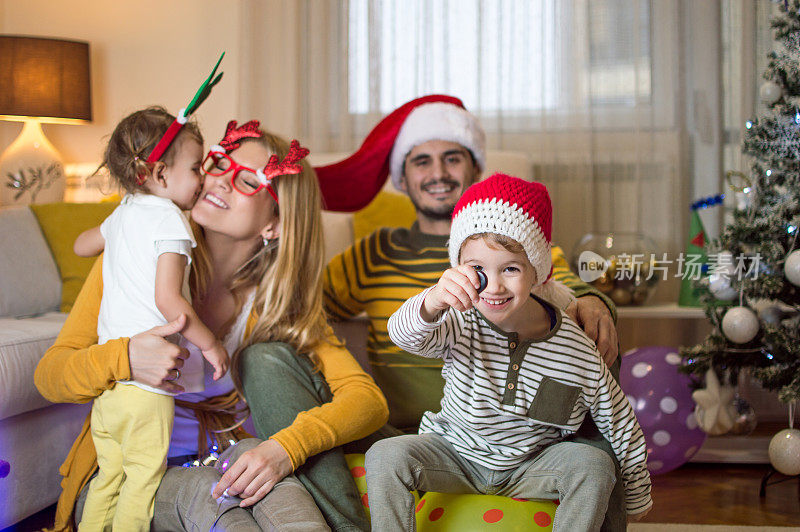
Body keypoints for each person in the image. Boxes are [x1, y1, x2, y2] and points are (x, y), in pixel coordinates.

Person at [35, 119, 388, 531]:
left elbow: (366, 400)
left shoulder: (276, 307)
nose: (219, 181)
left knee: (282, 494)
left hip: (227, 461)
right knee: (213, 500)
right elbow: (50, 375)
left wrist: (284, 449)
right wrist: (125, 358)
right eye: (218, 164)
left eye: (248, 182)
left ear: (274, 224)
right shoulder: (136, 256)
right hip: (126, 482)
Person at [367, 174, 652, 531]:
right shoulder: (460, 318)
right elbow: (404, 335)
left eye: (511, 269)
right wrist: (432, 301)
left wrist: (637, 491)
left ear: (537, 273)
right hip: (456, 454)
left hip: (532, 464)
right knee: (385, 455)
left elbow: (618, 418)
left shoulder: (575, 346)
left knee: (593, 465)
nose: (495, 286)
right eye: (477, 270)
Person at [319, 95, 618, 430]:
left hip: (509, 440)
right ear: (401, 179)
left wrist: (594, 302)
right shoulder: (376, 251)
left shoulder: (518, 246)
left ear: (475, 168)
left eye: (452, 159)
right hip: (404, 434)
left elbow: (563, 282)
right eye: (421, 162)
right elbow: (308, 306)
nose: (438, 173)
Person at [69, 107, 230, 531]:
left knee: (109, 478)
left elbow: (83, 246)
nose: (202, 178)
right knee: (141, 484)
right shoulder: (169, 218)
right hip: (146, 390)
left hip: (110, 385)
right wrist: (210, 344)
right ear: (158, 174)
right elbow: (167, 300)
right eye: (196, 168)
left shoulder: (124, 211)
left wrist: (111, 240)